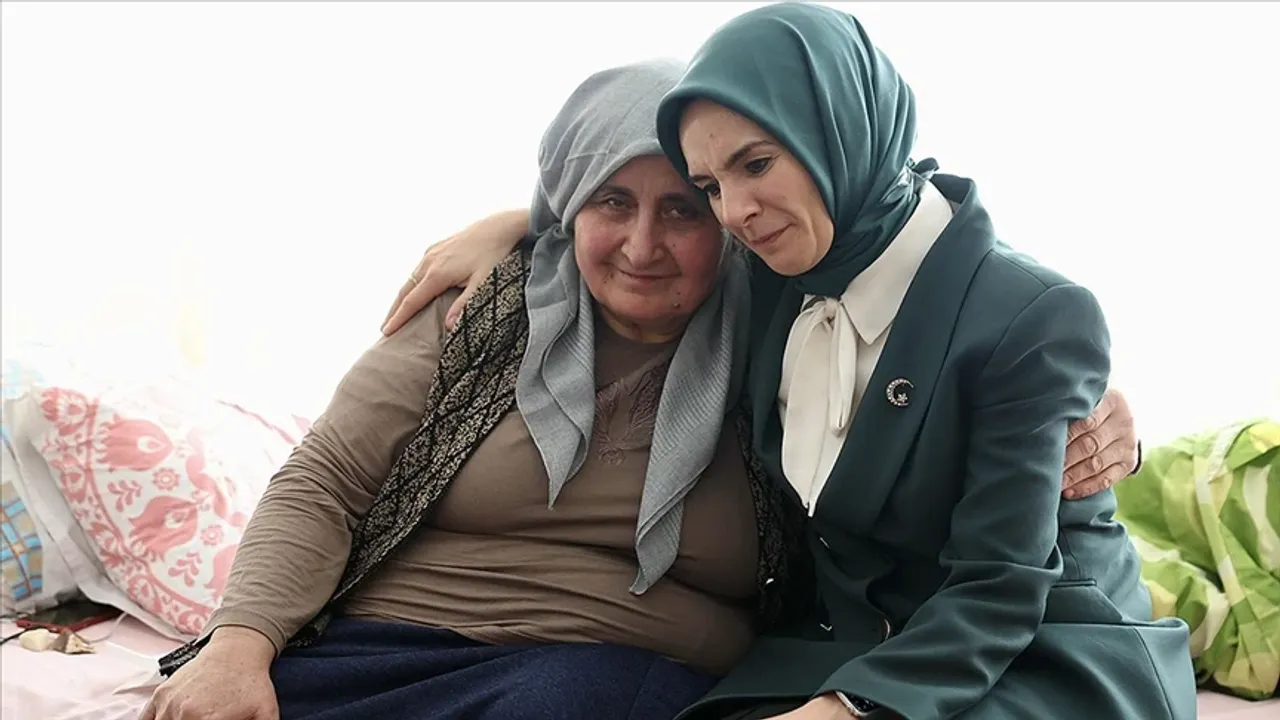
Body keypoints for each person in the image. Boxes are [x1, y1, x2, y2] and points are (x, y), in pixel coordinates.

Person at [379, 5, 1190, 719]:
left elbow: (998, 589)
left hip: (1037, 651)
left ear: (837, 128)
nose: (734, 211)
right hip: (851, 644)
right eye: (710, 185)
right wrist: (521, 226)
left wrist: (844, 708)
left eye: (756, 163)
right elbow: (620, 211)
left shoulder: (1033, 314)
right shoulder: (773, 270)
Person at [141, 58, 814, 720]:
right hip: (378, 651)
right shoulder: (481, 306)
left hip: (604, 677)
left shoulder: (784, 337)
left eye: (681, 210)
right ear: (569, 203)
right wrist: (237, 648)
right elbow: (327, 481)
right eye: (611, 201)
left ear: (726, 215)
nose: (641, 247)